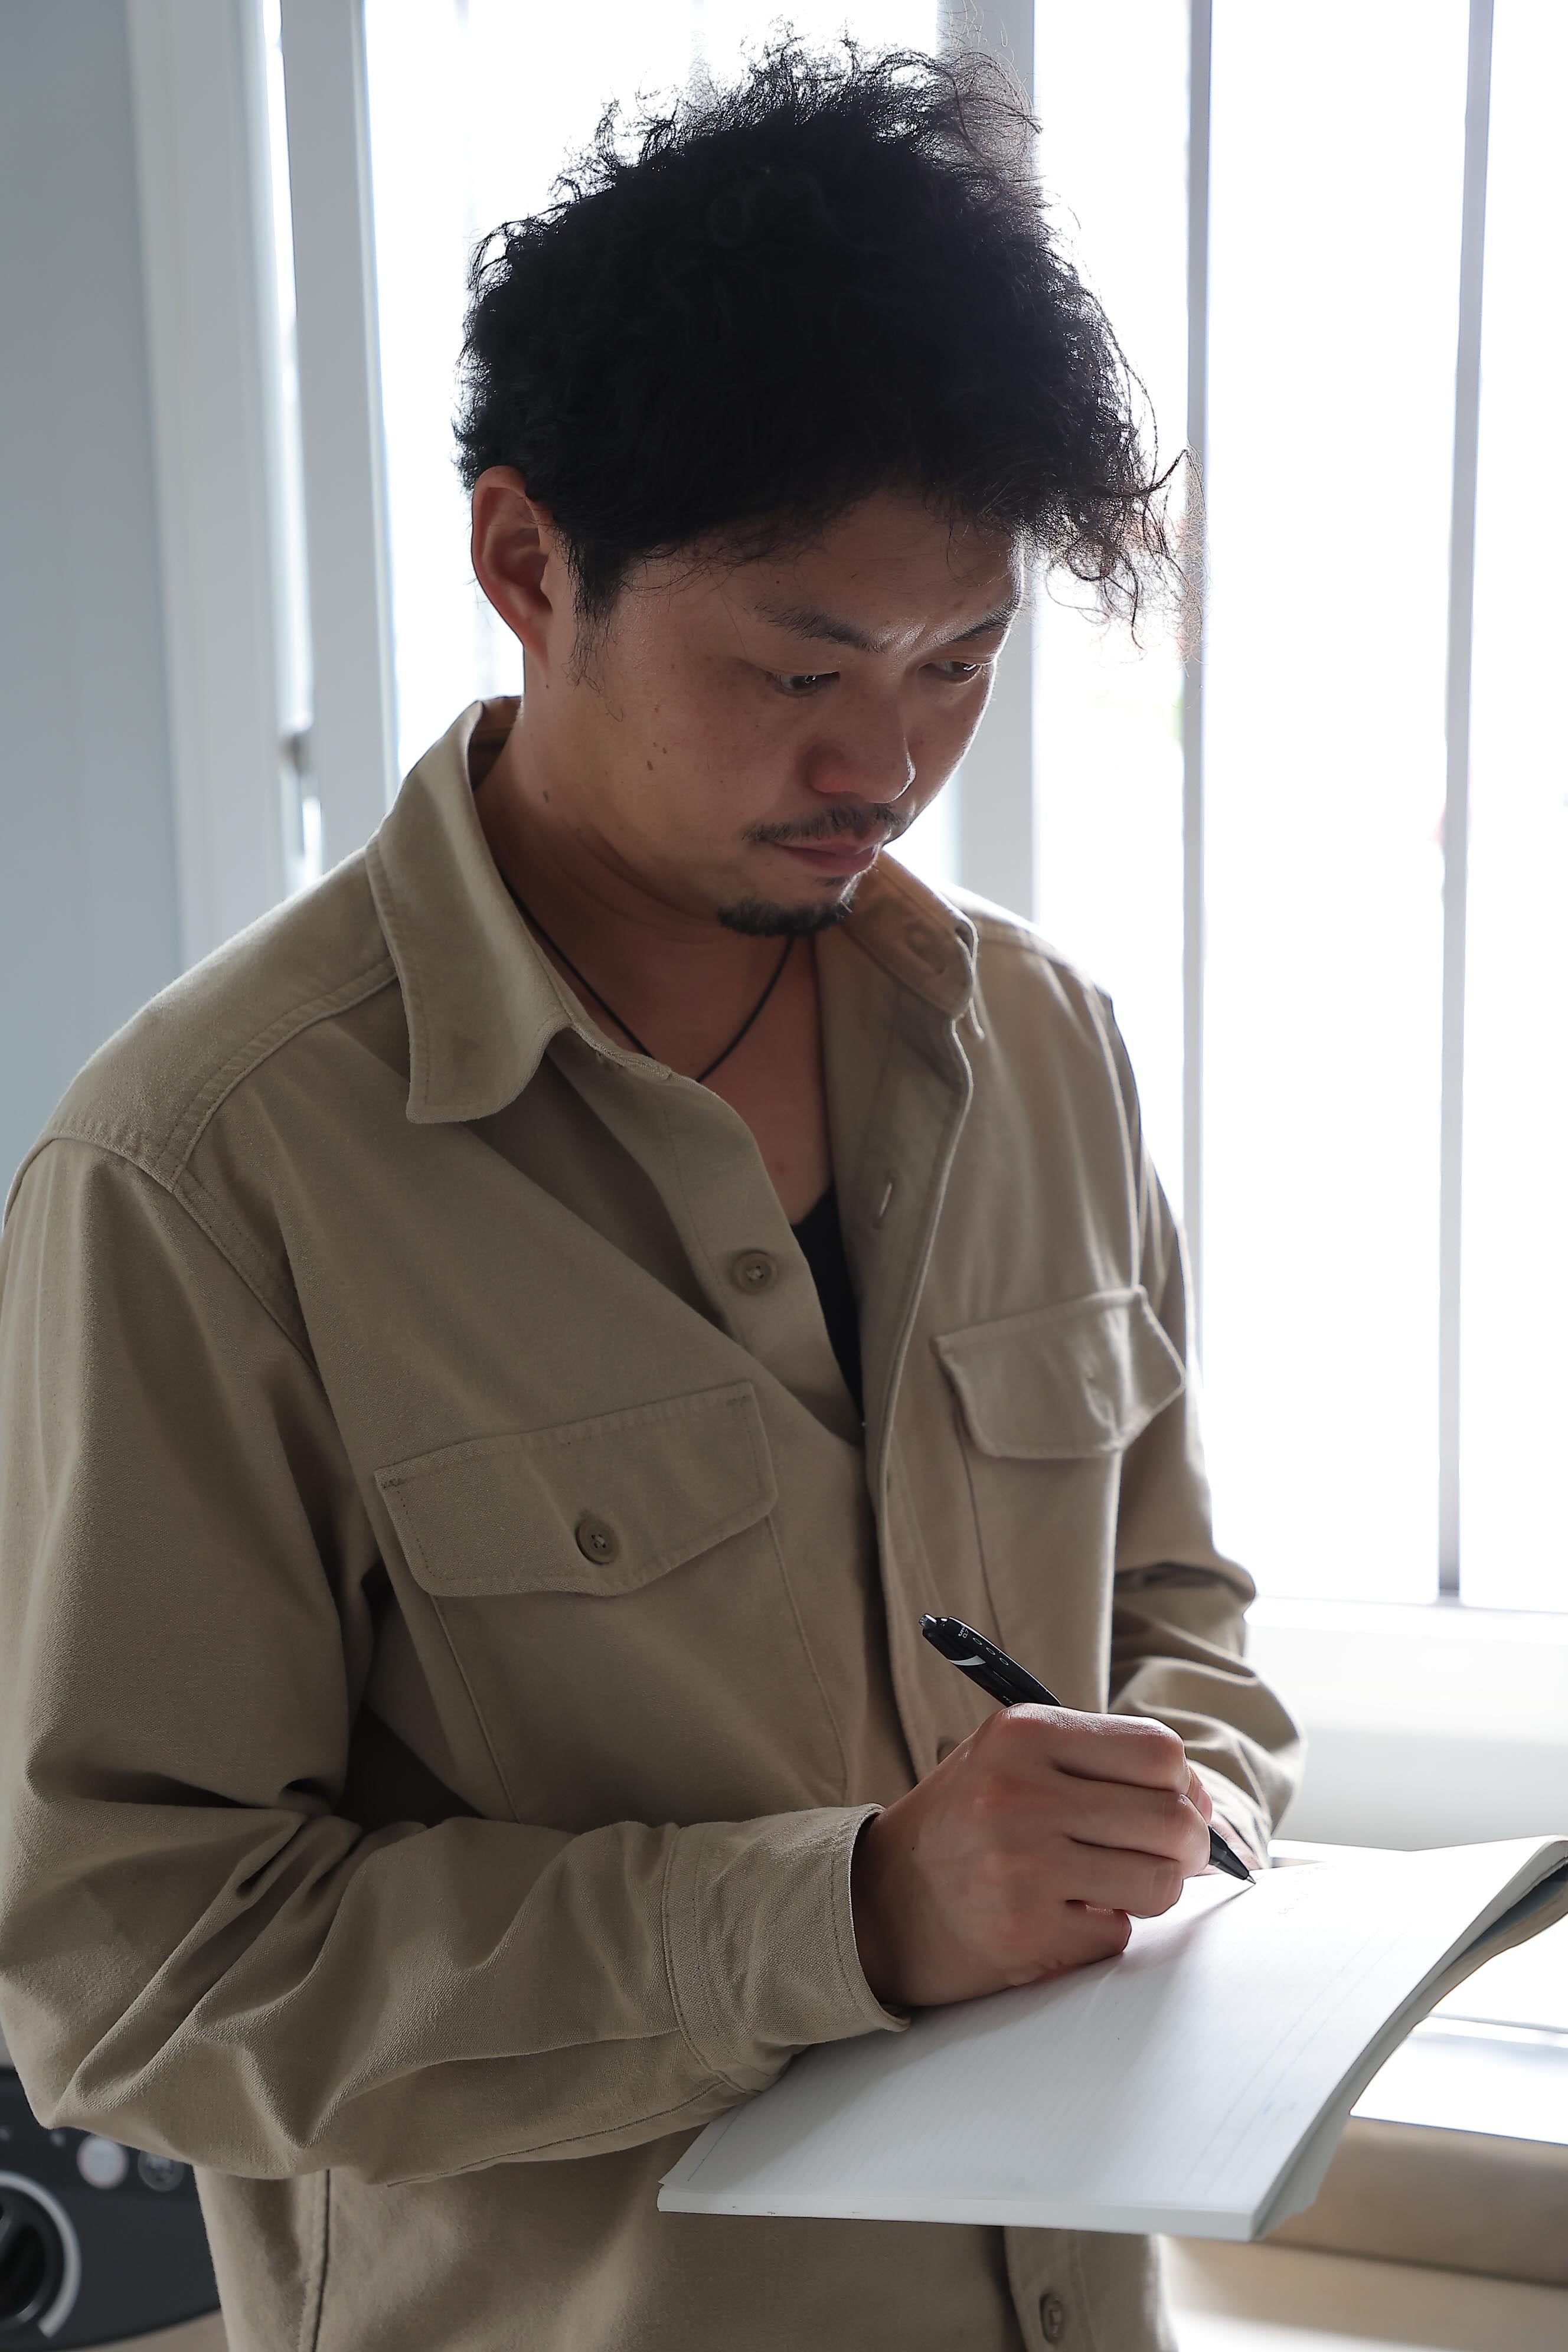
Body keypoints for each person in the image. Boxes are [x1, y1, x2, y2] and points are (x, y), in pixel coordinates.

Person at [0, 42, 1298, 2352]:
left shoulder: (1045, 1054)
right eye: (798, 664)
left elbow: (1179, 1611)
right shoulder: (203, 1175)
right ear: (526, 564)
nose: (885, 760)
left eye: (962, 661)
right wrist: (847, 1921)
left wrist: (1172, 1803)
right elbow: (137, 1974)